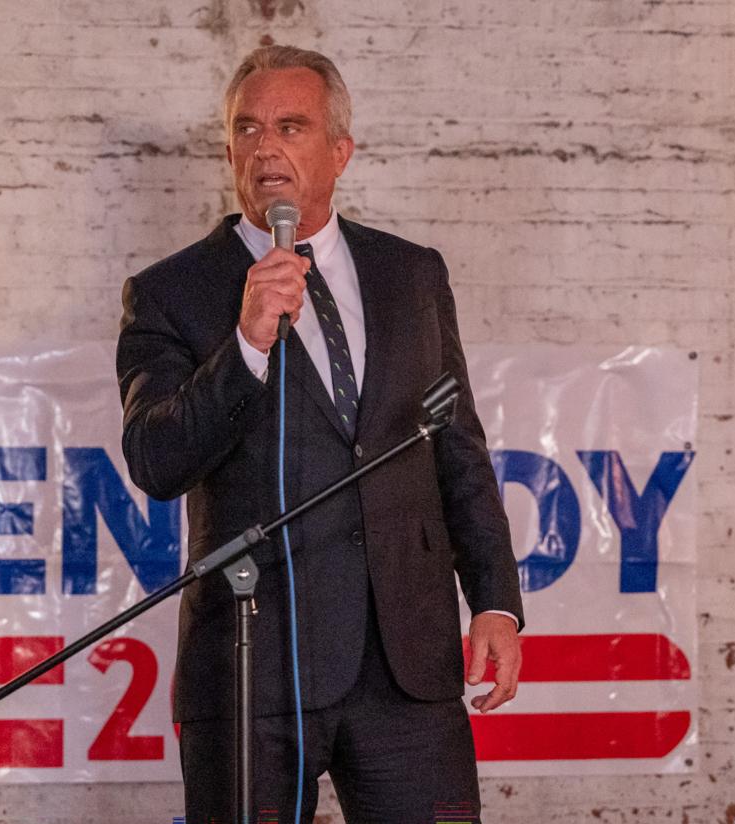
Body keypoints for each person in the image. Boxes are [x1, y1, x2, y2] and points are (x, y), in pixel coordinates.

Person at [117, 45, 523, 824]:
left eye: (291, 126)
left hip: (407, 665)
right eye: (247, 129)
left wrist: (497, 603)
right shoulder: (172, 292)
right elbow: (156, 460)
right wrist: (245, 346)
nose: (265, 147)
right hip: (252, 667)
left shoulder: (413, 274)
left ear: (340, 150)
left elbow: (456, 447)